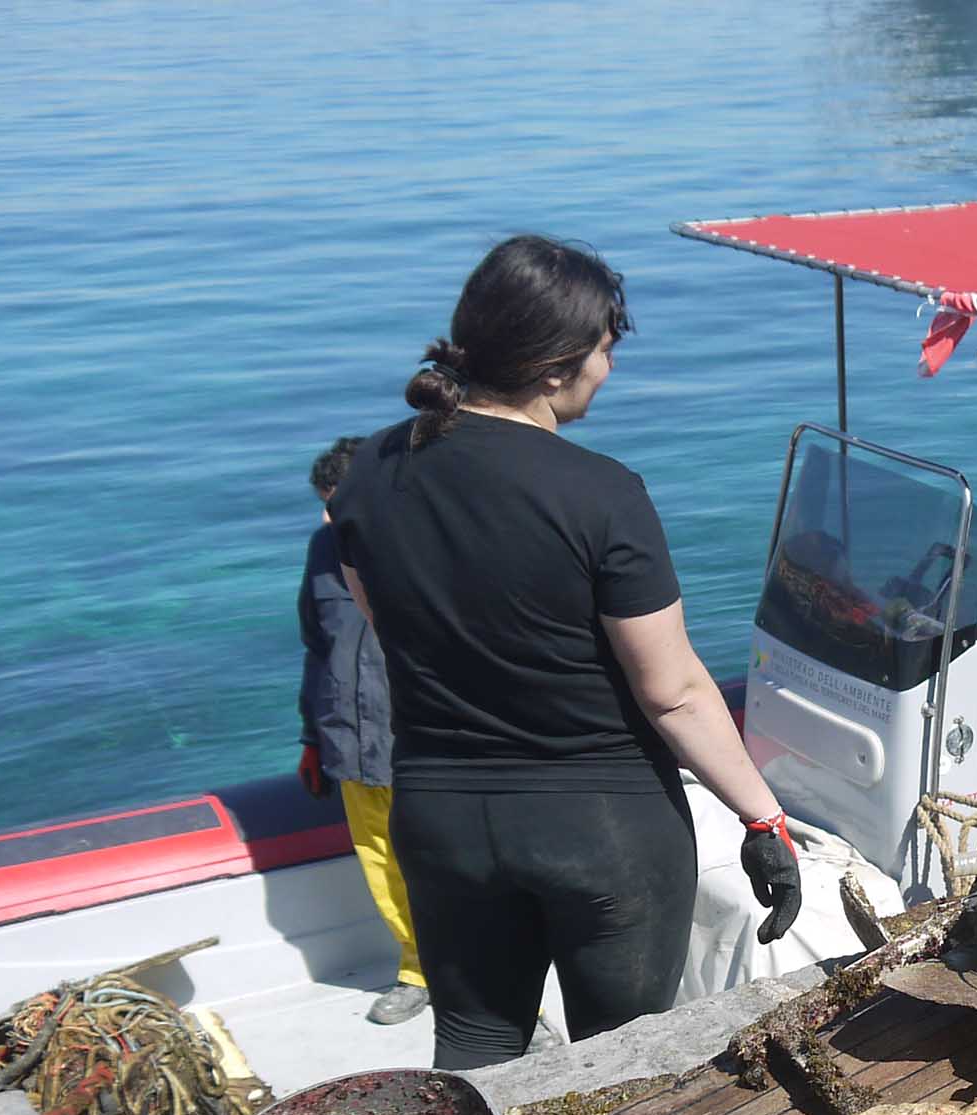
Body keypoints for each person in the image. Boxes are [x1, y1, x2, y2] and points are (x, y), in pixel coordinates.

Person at [327, 235, 801, 1071]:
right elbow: (675, 693)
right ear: (553, 368)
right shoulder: (601, 493)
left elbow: (384, 623)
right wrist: (761, 817)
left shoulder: (370, 470)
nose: (608, 370)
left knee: (474, 1048)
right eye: (604, 351)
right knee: (620, 1067)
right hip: (604, 828)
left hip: (444, 820)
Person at [296, 435, 431, 1026]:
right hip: (350, 745)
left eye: (338, 501)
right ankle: (416, 970)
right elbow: (316, 647)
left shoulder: (428, 548)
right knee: (380, 862)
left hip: (424, 745)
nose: (329, 517)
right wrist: (309, 737)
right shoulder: (323, 549)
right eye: (325, 503)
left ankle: (498, 988)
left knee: (453, 868)